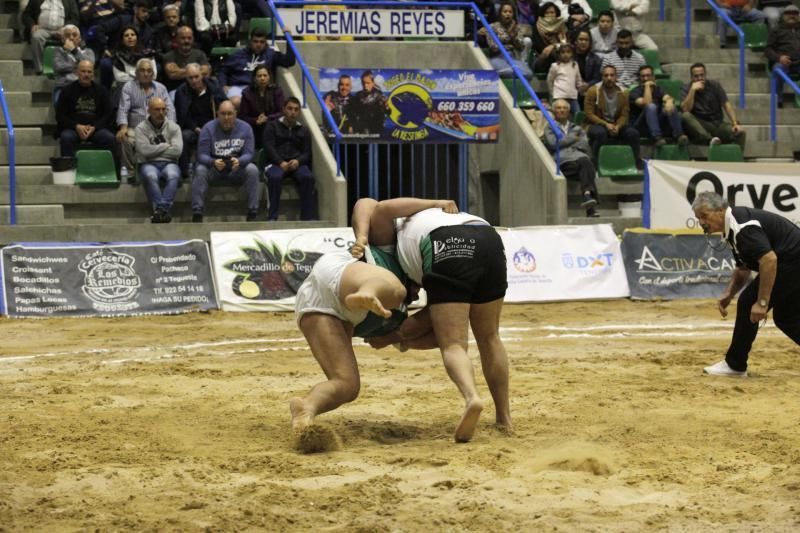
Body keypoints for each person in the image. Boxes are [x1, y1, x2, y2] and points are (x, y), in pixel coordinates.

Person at [288, 197, 456, 436]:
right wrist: (363, 236)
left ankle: (306, 408)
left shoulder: (397, 318)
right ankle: (367, 292)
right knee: (394, 289)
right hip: (344, 273)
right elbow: (369, 204)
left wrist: (400, 337)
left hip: (320, 308)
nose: (419, 291)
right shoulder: (392, 252)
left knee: (347, 385)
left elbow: (440, 337)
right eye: (419, 286)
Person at [357, 199, 513, 443]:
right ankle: (504, 419)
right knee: (490, 337)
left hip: (446, 241)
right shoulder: (416, 231)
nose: (416, 295)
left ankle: (472, 397)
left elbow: (376, 206)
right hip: (488, 237)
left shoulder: (386, 246)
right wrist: (396, 338)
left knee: (454, 344)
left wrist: (362, 238)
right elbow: (429, 326)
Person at [692, 191, 800, 377]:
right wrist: (729, 293)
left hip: (793, 260)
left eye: (704, 216)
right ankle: (735, 364)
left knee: (749, 302)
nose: (701, 222)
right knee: (786, 318)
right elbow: (743, 267)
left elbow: (769, 260)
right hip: (793, 260)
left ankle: (735, 365)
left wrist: (762, 302)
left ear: (720, 210)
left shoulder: (741, 227)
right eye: (698, 218)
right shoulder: (731, 228)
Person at [191, 100, 260, 222]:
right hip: (215, 169)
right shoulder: (208, 128)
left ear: (235, 114)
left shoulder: (246, 128)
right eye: (223, 114)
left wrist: (239, 161)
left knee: (252, 169)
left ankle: (252, 212)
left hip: (236, 169)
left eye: (230, 113)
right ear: (217, 114)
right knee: (200, 169)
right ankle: (197, 212)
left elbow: (249, 153)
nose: (226, 117)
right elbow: (201, 155)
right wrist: (213, 162)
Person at [116, 58, 175, 181]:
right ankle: (132, 172)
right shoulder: (128, 87)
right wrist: (123, 127)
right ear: (136, 73)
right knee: (124, 137)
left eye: (149, 71)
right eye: (142, 70)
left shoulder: (161, 88)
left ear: (153, 74)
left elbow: (170, 110)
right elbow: (123, 109)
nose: (146, 73)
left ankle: (162, 171)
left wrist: (171, 128)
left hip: (157, 130)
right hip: (135, 130)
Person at [543, 99, 599, 217]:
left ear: (569, 111)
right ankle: (589, 203)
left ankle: (588, 196)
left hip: (578, 162)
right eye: (559, 108)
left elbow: (584, 144)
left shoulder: (577, 127)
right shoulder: (549, 127)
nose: (562, 110)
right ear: (553, 111)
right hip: (562, 163)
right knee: (587, 165)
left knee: (585, 163)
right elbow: (553, 144)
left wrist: (564, 142)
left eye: (564, 108)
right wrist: (574, 139)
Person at [262, 97, 315, 221]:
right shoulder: (272, 126)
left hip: (296, 164)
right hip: (275, 163)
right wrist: (280, 162)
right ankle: (272, 217)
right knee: (275, 177)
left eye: (296, 110)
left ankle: (307, 218)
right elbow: (268, 148)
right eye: (290, 108)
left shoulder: (304, 130)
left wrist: (298, 161)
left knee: (308, 177)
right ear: (283, 109)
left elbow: (307, 153)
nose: (293, 112)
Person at [216, 27, 295, 107]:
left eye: (262, 42)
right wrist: (223, 85)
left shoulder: (271, 55)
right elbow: (223, 71)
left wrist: (289, 40)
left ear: (265, 43)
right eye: (255, 41)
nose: (258, 44)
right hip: (238, 87)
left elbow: (289, 61)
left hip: (260, 89)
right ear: (250, 41)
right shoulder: (238, 55)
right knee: (236, 101)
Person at [134, 97, 183, 223]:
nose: (161, 113)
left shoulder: (174, 127)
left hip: (169, 163)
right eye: (156, 109)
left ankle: (161, 209)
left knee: (173, 175)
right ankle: (163, 211)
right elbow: (144, 151)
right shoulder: (140, 128)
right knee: (150, 176)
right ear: (149, 110)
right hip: (148, 163)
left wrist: (153, 151)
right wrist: (165, 146)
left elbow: (177, 151)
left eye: (163, 109)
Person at [174, 63, 227, 177]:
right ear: (186, 78)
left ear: (202, 75)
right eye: (190, 78)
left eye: (196, 77)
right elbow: (183, 116)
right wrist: (195, 128)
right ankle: (184, 173)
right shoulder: (181, 92)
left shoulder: (213, 86)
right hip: (193, 128)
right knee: (184, 136)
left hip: (214, 125)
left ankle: (222, 170)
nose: (194, 80)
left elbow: (224, 104)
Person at [55, 59, 115, 157]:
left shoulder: (102, 91)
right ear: (77, 72)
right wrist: (76, 126)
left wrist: (95, 127)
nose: (86, 74)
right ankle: (68, 170)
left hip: (96, 129)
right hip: (73, 129)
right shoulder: (67, 91)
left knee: (109, 138)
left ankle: (106, 170)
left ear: (93, 74)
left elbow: (108, 114)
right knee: (66, 137)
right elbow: (60, 116)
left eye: (89, 72)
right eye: (83, 71)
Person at [680, 63, 746, 150]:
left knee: (741, 133)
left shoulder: (715, 85)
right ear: (691, 77)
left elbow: (726, 104)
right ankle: (710, 140)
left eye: (702, 75)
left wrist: (735, 123)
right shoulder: (686, 88)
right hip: (700, 125)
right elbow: (685, 109)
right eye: (696, 76)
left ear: (705, 75)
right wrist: (692, 90)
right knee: (685, 116)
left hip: (717, 124)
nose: (699, 78)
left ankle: (737, 159)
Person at [584, 64, 640, 166]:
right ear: (602, 77)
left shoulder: (624, 92)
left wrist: (618, 126)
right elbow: (589, 114)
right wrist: (605, 124)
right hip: (597, 124)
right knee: (600, 133)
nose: (609, 78)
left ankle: (634, 162)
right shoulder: (593, 91)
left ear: (616, 77)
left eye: (611, 75)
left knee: (633, 133)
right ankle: (596, 162)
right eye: (606, 75)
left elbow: (624, 114)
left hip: (616, 124)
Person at [629, 65, 688, 146]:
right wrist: (647, 87)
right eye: (643, 76)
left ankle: (679, 136)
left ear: (653, 77)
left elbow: (668, 97)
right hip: (641, 126)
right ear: (639, 78)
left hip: (657, 124)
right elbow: (647, 103)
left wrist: (669, 102)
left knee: (671, 106)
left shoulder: (658, 89)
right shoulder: (634, 92)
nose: (646, 78)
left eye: (648, 75)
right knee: (651, 107)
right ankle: (656, 138)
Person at [22, 0, 80, 74]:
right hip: (42, 29)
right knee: (36, 37)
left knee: (72, 37)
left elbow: (75, 18)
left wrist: (65, 28)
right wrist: (32, 25)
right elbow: (26, 15)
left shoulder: (70, 1)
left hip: (63, 30)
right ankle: (40, 69)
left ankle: (69, 69)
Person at [239, 64, 284, 149]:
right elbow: (242, 116)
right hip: (254, 126)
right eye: (259, 76)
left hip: (273, 125)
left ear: (269, 77)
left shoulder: (277, 90)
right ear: (255, 78)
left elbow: (282, 112)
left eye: (265, 75)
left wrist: (267, 118)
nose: (262, 78)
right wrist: (256, 120)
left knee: (269, 127)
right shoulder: (247, 93)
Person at [485, 1, 533, 80]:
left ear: (513, 14)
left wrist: (513, 36)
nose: (508, 14)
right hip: (498, 58)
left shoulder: (517, 28)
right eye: (505, 11)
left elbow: (521, 47)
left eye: (510, 12)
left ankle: (513, 72)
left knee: (529, 74)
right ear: (500, 13)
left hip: (512, 58)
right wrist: (509, 42)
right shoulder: (492, 27)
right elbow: (493, 47)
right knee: (510, 72)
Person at [766, 5, 800, 107]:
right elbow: (768, 49)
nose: (792, 15)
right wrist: (779, 58)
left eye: (795, 13)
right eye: (788, 13)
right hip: (784, 63)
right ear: (783, 16)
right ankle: (778, 101)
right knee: (777, 69)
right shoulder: (776, 30)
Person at [52, 24, 95, 103]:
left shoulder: (89, 51)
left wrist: (74, 50)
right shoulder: (58, 51)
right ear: (62, 39)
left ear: (79, 39)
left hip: (85, 87)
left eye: (74, 35)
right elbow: (58, 67)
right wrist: (79, 68)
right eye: (67, 35)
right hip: (64, 86)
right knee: (59, 103)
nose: (71, 38)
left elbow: (89, 66)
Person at [162, 25, 211, 91]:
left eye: (189, 38)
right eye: (183, 38)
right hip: (176, 90)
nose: (186, 41)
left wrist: (181, 71)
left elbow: (206, 72)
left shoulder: (200, 54)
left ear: (193, 39)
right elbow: (173, 74)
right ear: (176, 39)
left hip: (198, 89)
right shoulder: (169, 56)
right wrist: (196, 72)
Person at [344, 70, 389, 135]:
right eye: (363, 83)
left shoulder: (380, 96)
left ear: (373, 83)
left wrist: (386, 107)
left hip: (376, 129)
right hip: (361, 130)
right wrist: (350, 126)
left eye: (368, 83)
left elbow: (388, 112)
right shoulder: (358, 96)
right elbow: (351, 112)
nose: (365, 85)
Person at [532, 2, 568, 74]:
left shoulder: (562, 25)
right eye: (547, 13)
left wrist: (553, 46)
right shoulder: (537, 26)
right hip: (543, 57)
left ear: (556, 14)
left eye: (552, 12)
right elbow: (539, 46)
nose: (550, 15)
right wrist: (554, 48)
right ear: (543, 14)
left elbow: (566, 43)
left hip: (561, 55)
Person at [547, 43, 584, 113]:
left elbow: (578, 78)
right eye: (563, 52)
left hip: (572, 96)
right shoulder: (555, 66)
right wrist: (552, 94)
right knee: (558, 114)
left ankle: (576, 124)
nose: (565, 54)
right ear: (559, 54)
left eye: (568, 52)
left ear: (572, 54)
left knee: (578, 113)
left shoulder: (575, 65)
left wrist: (580, 87)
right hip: (559, 96)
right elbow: (550, 80)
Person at [573, 29, 602, 102]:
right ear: (576, 41)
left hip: (589, 89)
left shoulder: (595, 59)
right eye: (581, 39)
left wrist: (587, 85)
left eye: (586, 40)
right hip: (571, 88)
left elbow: (597, 78)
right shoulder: (569, 57)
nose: (584, 42)